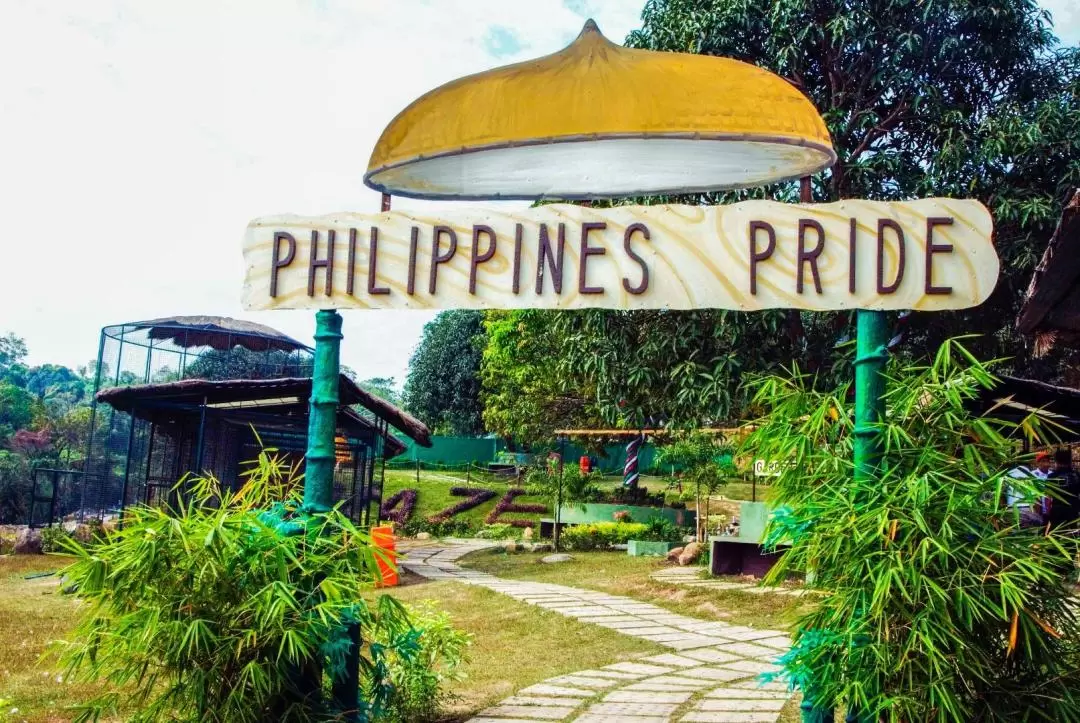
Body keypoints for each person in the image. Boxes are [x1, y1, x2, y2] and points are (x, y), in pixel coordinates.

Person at [1006, 452, 1052, 526]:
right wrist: (1038, 517)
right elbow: (1037, 499)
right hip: (1029, 511)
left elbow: (1001, 496)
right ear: (1031, 462)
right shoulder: (1033, 476)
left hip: (1011, 510)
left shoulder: (1007, 475)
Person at [1047, 449, 1080, 528]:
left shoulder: (1052, 476)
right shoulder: (1076, 475)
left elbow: (1048, 496)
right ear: (1070, 461)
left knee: (1055, 534)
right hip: (1073, 509)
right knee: (1072, 534)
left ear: (1056, 461)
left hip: (1057, 510)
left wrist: (1048, 511)